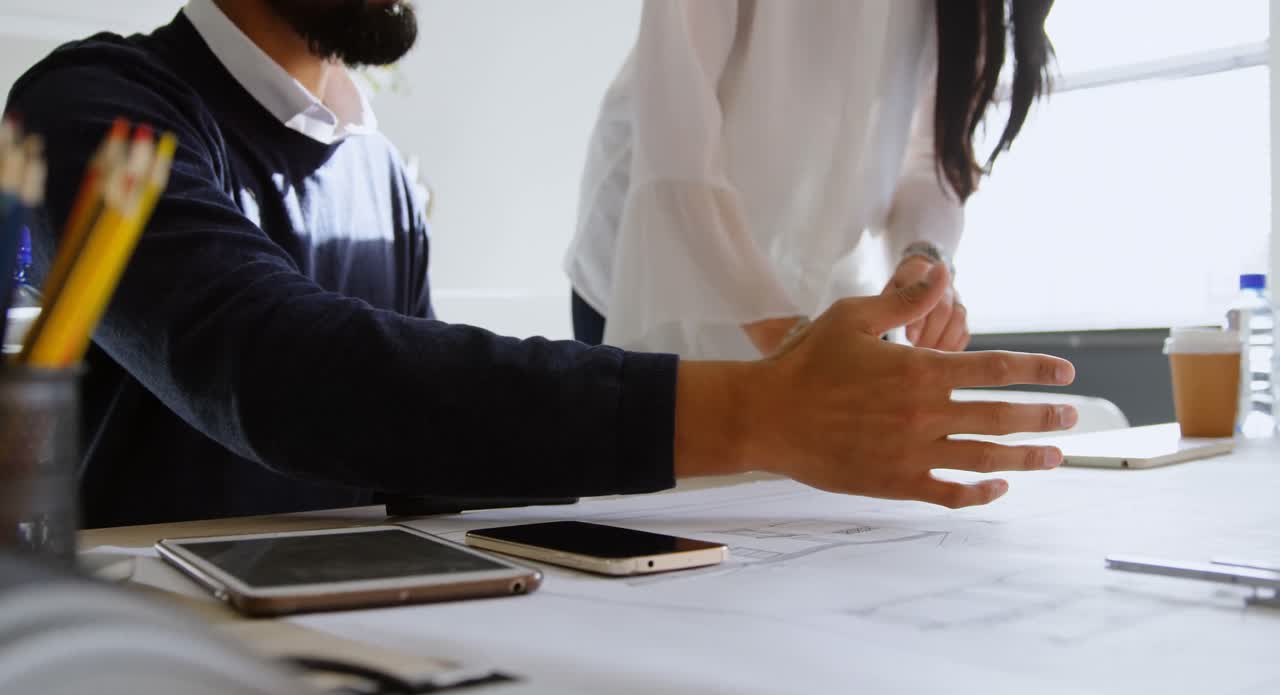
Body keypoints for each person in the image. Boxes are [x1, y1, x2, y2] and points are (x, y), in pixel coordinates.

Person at [5, 0, 1077, 529]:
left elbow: (417, 445)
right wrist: (754, 414)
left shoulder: (378, 173)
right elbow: (273, 369)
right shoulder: (96, 112)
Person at [567, 0, 1054, 358]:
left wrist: (924, 259)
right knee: (671, 487)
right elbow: (675, 156)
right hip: (658, 257)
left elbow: (931, 157)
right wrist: (793, 343)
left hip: (813, 277)